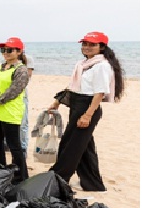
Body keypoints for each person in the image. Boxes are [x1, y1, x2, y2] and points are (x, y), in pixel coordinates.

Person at [47, 31, 124, 192]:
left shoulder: (102, 65)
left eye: (92, 44)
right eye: (85, 44)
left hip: (87, 107)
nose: (87, 47)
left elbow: (99, 93)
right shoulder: (83, 64)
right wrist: (57, 101)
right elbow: (74, 86)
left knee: (70, 146)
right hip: (77, 105)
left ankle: (58, 178)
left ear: (102, 47)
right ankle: (93, 184)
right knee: (85, 148)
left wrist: (87, 115)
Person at [0, 37, 30, 183]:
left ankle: (21, 176)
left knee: (14, 146)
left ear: (19, 51)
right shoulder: (0, 67)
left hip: (10, 112)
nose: (6, 53)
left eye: (9, 50)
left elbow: (14, 90)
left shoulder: (21, 69)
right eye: (4, 50)